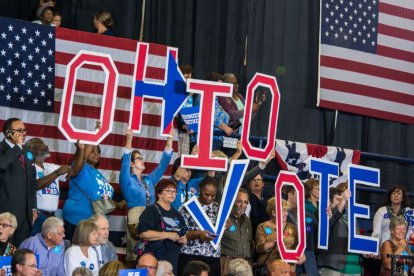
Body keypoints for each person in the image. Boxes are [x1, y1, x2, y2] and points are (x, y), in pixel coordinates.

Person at [119, 128, 173, 263]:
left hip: (152, 216)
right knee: (135, 253)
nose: (142, 160)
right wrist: (129, 139)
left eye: (142, 157)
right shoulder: (127, 180)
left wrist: (169, 141)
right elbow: (124, 164)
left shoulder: (148, 180)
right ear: (132, 164)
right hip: (136, 217)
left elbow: (161, 167)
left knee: (151, 253)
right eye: (138, 158)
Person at [62, 140, 115, 241]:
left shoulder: (99, 174)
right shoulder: (80, 167)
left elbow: (98, 194)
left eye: (98, 152)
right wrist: (94, 137)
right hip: (78, 220)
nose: (96, 153)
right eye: (92, 150)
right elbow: (84, 158)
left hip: (96, 224)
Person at [0, 118, 37, 246]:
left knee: (17, 251)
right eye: (19, 130)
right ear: (8, 133)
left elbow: (32, 182)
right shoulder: (2, 149)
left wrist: (33, 208)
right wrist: (16, 147)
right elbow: (2, 165)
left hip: (25, 215)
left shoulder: (27, 152)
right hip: (5, 213)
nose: (23, 133)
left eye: (24, 130)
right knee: (3, 250)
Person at [138, 179, 188, 275]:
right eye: (169, 191)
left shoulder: (177, 214)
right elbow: (143, 233)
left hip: (172, 261)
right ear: (159, 194)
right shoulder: (151, 210)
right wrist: (168, 235)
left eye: (174, 191)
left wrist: (183, 240)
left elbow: (183, 233)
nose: (172, 194)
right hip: (154, 261)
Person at [25, 137, 71, 236]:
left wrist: (81, 150)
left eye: (44, 144)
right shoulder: (28, 167)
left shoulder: (50, 167)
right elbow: (36, 185)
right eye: (39, 145)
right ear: (30, 150)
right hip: (37, 215)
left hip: (51, 216)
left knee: (49, 246)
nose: (45, 146)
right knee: (32, 246)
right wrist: (57, 173)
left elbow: (74, 172)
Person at [178, 176, 221, 276]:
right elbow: (179, 235)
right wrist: (198, 234)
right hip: (190, 256)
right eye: (207, 194)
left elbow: (226, 226)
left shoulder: (218, 208)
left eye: (213, 195)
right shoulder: (186, 208)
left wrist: (227, 225)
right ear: (199, 189)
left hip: (213, 257)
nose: (209, 198)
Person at [318, 184, 361, 275]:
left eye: (343, 200)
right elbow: (332, 220)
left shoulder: (351, 217)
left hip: (353, 266)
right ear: (329, 201)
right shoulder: (324, 214)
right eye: (338, 199)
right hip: (333, 267)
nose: (342, 202)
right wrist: (344, 199)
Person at [368, 185, 411, 274]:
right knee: (389, 269)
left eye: (399, 193)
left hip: (404, 247)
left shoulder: (408, 211)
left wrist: (406, 247)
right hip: (386, 246)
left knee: (400, 272)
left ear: (403, 197)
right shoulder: (382, 211)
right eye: (393, 193)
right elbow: (376, 232)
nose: (396, 195)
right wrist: (373, 249)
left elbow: (411, 231)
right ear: (389, 196)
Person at [255, 198, 305, 272]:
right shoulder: (263, 226)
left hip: (289, 269)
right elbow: (258, 249)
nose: (286, 213)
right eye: (283, 210)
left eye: (287, 211)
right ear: (274, 212)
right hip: (271, 269)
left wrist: (303, 256)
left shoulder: (292, 227)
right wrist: (273, 243)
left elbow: (298, 247)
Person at [220, 188, 253, 276]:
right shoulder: (224, 218)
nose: (242, 205)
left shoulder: (247, 221)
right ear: (233, 201)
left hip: (245, 265)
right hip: (227, 264)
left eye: (245, 202)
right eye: (239, 201)